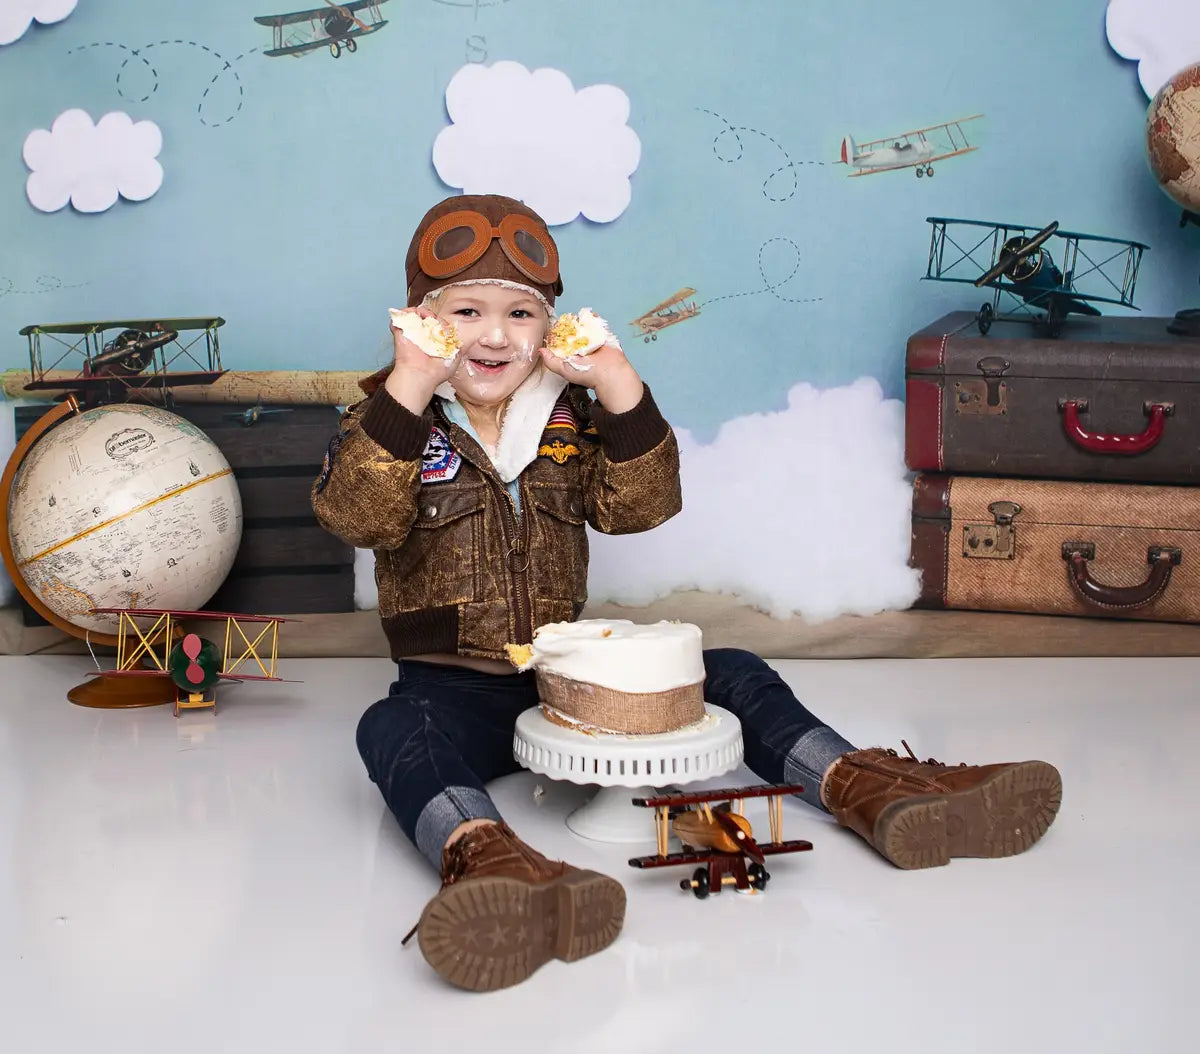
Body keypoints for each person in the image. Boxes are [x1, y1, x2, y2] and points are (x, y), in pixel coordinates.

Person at [312, 193, 1063, 993]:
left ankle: (866, 786)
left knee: (732, 668)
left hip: (571, 681)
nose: (495, 335)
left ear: (550, 329)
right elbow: (358, 514)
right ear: (420, 322)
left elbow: (642, 506)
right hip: (448, 690)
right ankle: (490, 862)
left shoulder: (568, 419)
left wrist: (618, 383)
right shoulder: (388, 422)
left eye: (521, 314)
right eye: (466, 310)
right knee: (389, 726)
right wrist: (407, 387)